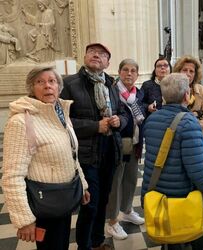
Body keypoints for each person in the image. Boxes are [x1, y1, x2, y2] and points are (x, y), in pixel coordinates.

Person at [2, 66, 90, 250]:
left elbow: (72, 155)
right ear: (32, 89)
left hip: (63, 198)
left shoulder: (60, 114)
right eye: (40, 82)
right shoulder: (21, 122)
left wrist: (82, 186)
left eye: (52, 81)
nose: (47, 86)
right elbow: (12, 176)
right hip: (44, 202)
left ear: (59, 86)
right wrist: (24, 219)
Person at [60, 43, 127, 250]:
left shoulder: (111, 85)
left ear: (107, 62)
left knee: (103, 201)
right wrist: (94, 126)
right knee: (90, 204)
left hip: (109, 151)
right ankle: (85, 246)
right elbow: (61, 121)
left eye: (102, 54)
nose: (96, 55)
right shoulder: (69, 84)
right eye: (92, 52)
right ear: (85, 56)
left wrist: (119, 121)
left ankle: (97, 241)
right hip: (86, 155)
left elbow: (124, 114)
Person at [141, 73, 203, 250]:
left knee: (171, 240)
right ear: (186, 96)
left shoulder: (151, 120)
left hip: (161, 195)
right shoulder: (190, 123)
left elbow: (151, 163)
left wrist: (145, 196)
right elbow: (198, 171)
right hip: (184, 197)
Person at [105, 59, 145, 240]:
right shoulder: (112, 91)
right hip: (117, 144)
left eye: (133, 71)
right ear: (119, 72)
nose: (129, 74)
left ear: (137, 74)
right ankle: (112, 222)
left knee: (130, 179)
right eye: (125, 70)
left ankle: (127, 210)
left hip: (134, 144)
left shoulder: (138, 93)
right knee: (115, 183)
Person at [173, 55, 203, 198]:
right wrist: (193, 116)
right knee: (181, 173)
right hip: (178, 139)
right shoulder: (172, 89)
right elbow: (171, 115)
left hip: (199, 139)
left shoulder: (201, 90)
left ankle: (201, 206)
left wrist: (190, 124)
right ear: (178, 71)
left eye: (191, 71)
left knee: (200, 172)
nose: (188, 74)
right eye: (184, 70)